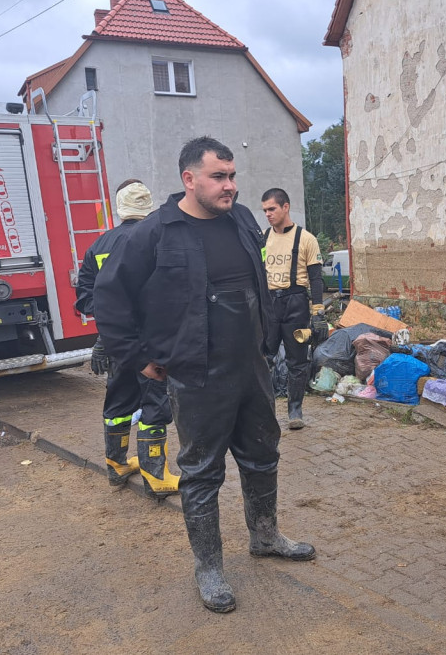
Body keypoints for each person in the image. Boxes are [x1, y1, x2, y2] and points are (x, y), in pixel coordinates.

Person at [94, 136, 315, 613]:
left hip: (251, 369)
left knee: (262, 456)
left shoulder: (239, 219)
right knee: (201, 473)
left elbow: (253, 287)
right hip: (196, 374)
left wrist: (266, 346)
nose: (230, 186)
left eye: (233, 176)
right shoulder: (152, 234)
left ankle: (265, 536)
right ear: (188, 179)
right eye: (219, 176)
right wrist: (137, 357)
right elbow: (108, 299)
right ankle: (209, 567)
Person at [74, 179, 179, 498]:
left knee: (119, 402)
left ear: (119, 208)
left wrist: (108, 329)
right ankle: (155, 476)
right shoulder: (158, 240)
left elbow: (85, 297)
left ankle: (117, 465)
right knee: (155, 406)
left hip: (116, 343)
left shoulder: (100, 245)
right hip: (150, 345)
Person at [260, 187, 326, 430]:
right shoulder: (263, 238)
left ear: (285, 207)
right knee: (264, 358)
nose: (267, 214)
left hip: (295, 301)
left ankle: (295, 410)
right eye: (265, 209)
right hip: (269, 304)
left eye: (272, 209)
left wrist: (318, 311)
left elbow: (316, 278)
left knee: (297, 360)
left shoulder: (306, 238)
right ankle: (266, 411)